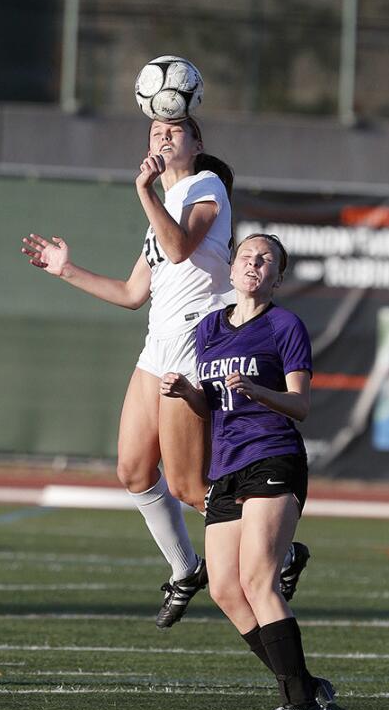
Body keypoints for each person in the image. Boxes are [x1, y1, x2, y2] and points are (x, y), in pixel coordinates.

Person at [20, 118, 309, 629]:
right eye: (156, 130)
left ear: (197, 144)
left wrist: (144, 189)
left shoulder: (206, 187)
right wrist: (65, 268)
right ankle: (184, 567)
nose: (164, 136)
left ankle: (282, 554)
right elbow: (134, 294)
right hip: (158, 345)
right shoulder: (163, 208)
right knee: (132, 471)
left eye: (176, 129)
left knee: (187, 487)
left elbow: (178, 247)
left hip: (196, 346)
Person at [160, 234, 348, 710]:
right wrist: (187, 393)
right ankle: (307, 690)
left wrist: (258, 391)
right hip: (227, 465)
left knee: (257, 580)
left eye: (266, 260)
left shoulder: (285, 325)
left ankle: (299, 703)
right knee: (223, 587)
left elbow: (300, 406)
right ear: (232, 268)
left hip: (273, 456)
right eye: (247, 255)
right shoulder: (208, 330)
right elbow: (213, 405)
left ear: (277, 277)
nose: (254, 263)